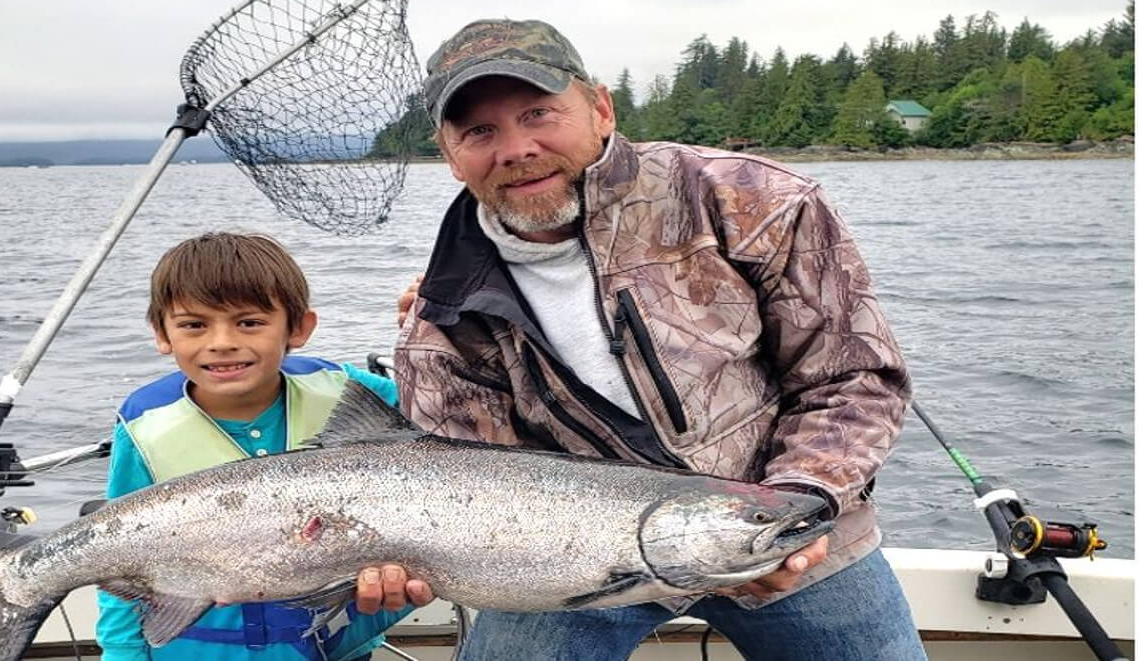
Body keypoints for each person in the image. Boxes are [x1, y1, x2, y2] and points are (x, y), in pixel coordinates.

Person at [383, 18, 927, 661]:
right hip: (572, 572)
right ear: (449, 155)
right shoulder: (442, 318)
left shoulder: (751, 200)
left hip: (789, 533)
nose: (517, 148)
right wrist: (401, 563)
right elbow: (462, 488)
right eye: (479, 131)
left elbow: (854, 378)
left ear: (601, 109)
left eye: (539, 112)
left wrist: (801, 504)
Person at [96, 232, 427, 661]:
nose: (221, 342)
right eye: (194, 325)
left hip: (337, 646)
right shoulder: (144, 426)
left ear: (300, 328)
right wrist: (122, 654)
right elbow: (115, 555)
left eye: (249, 322)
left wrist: (443, 329)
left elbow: (458, 419)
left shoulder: (359, 395)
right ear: (162, 334)